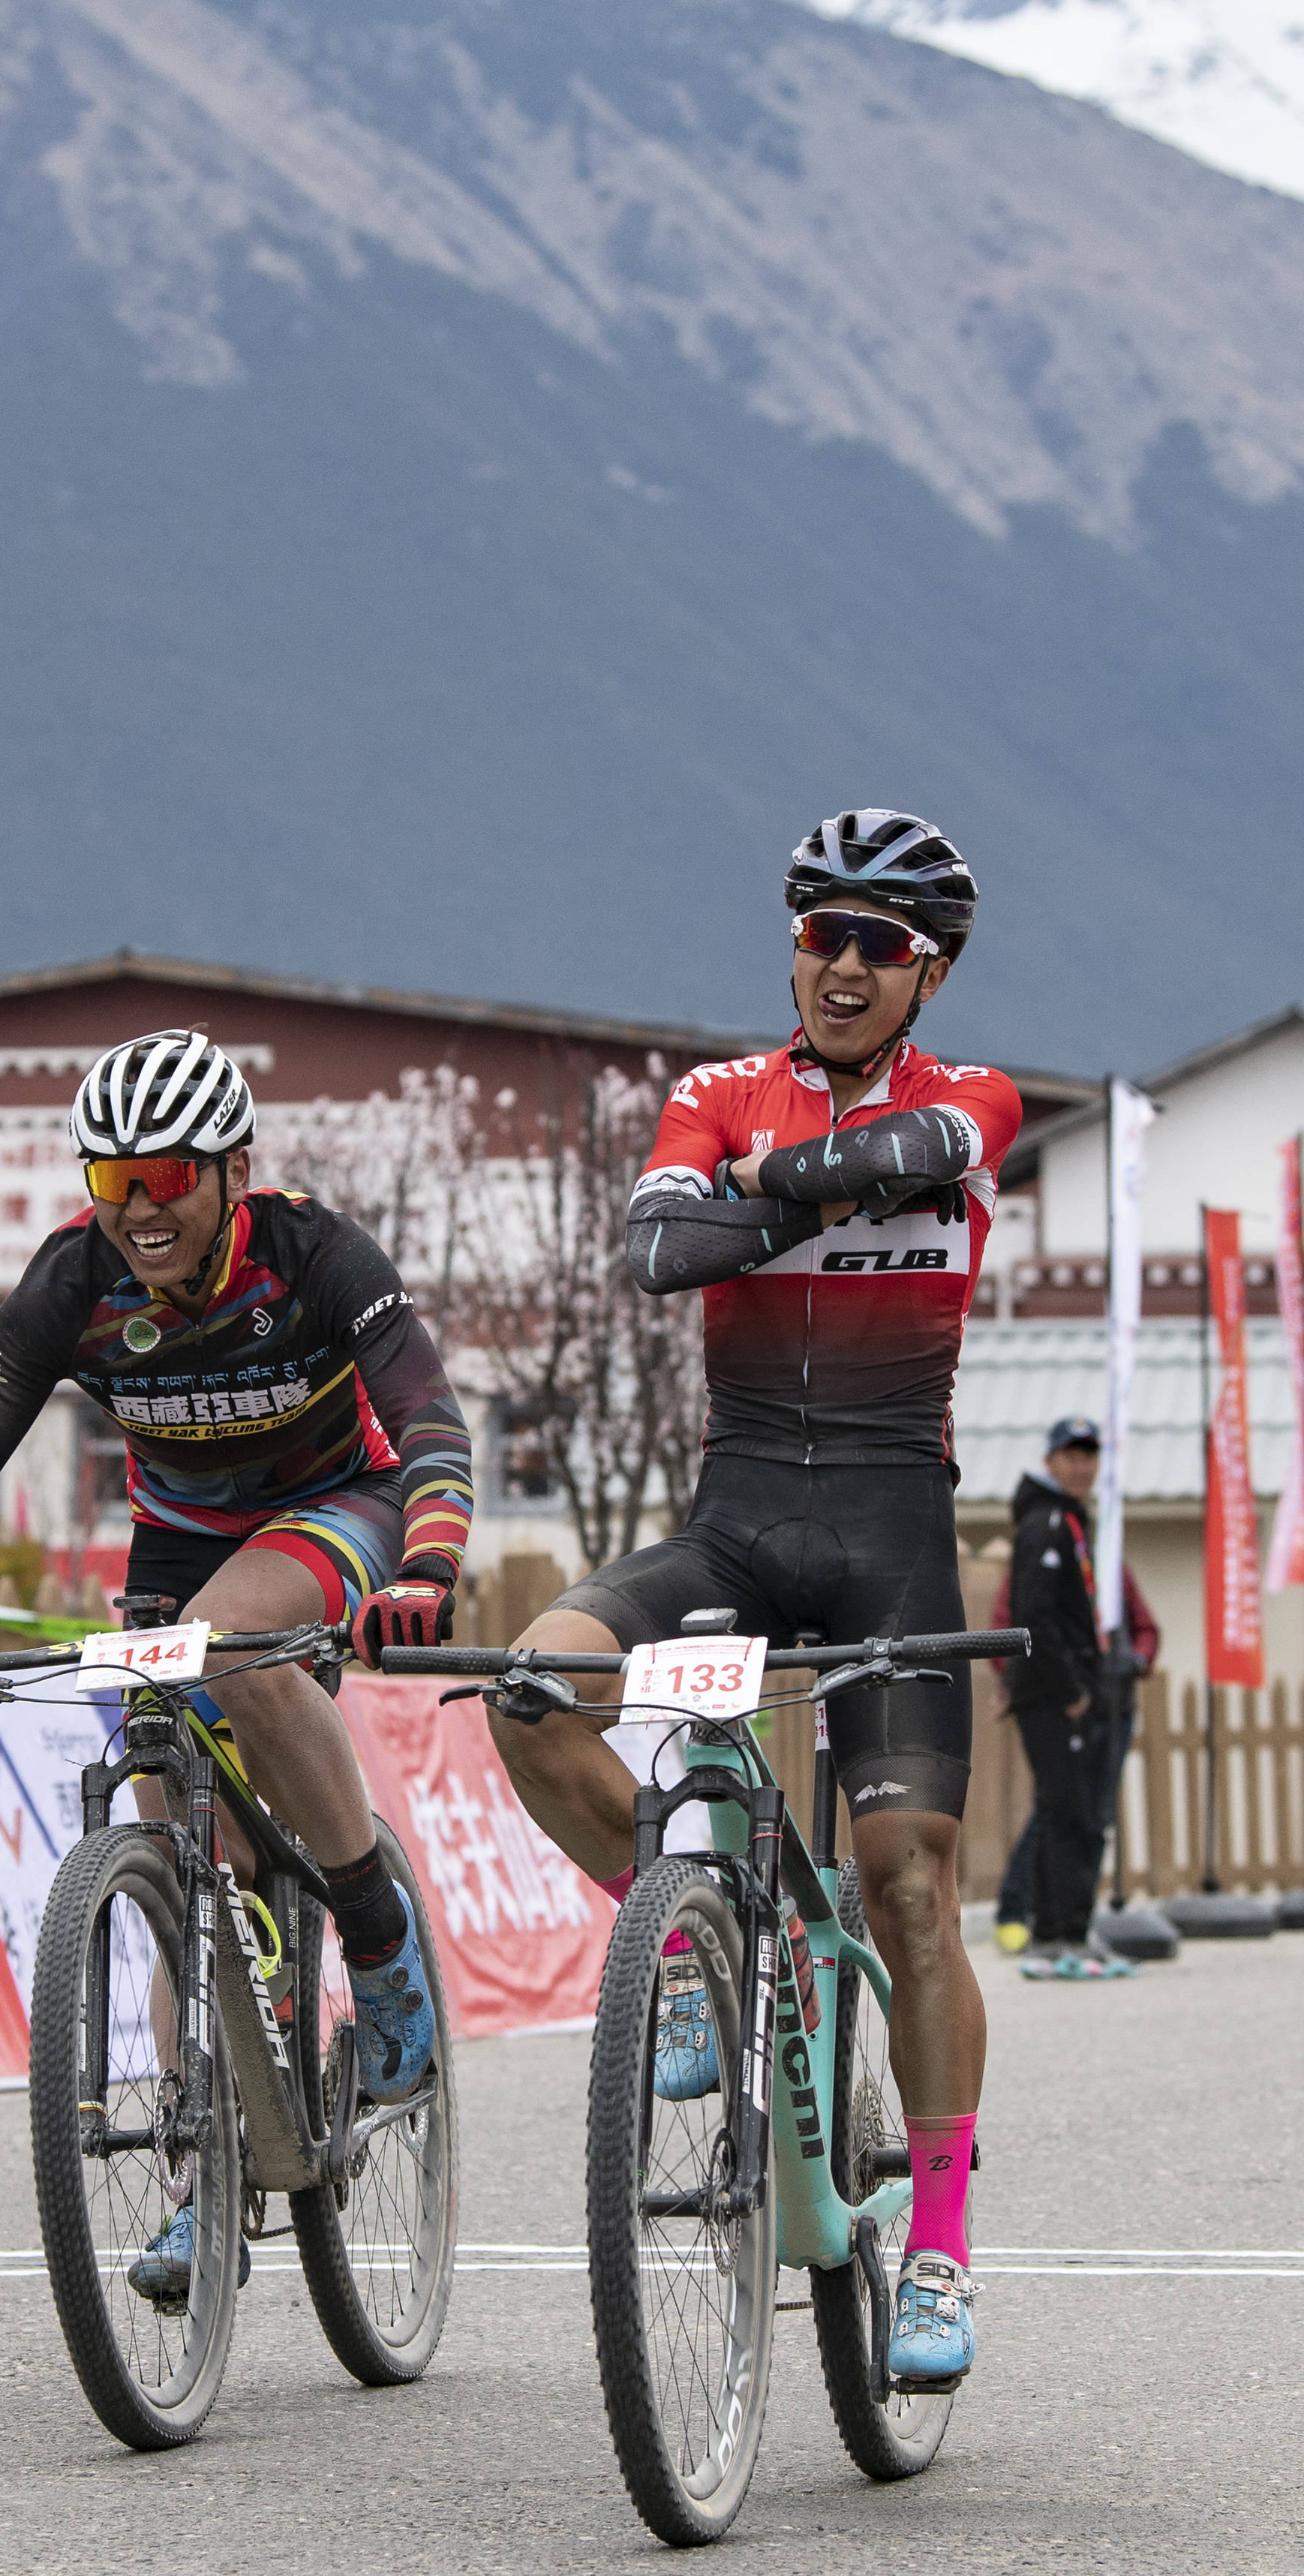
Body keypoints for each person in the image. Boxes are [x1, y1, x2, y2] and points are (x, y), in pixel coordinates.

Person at [486, 807, 1017, 2392]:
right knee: (532, 1685)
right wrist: (812, 1180)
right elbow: (655, 1250)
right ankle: (705, 1929)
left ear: (929, 973)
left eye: (879, 945)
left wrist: (755, 1198)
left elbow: (897, 1156)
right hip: (732, 1517)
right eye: (819, 933)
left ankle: (938, 2244)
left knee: (904, 1877)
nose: (841, 965)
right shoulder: (713, 1088)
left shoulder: (972, 1093)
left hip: (891, 1527)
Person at [0, 1030, 474, 2295]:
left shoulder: (315, 1254)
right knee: (184, 1854)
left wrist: (428, 1568)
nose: (141, 1211)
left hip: (340, 1503)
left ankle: (377, 1934)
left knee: (230, 1652)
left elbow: (431, 1422)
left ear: (233, 1167)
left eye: (169, 1177)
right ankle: (206, 2174)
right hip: (176, 1534)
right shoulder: (72, 1279)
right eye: (112, 1182)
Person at [990, 1414, 1159, 1957]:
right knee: (1064, 1814)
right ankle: (1057, 1935)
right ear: (1050, 1461)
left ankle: (1062, 1933)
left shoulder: (1075, 1524)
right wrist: (1071, 1690)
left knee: (1076, 1813)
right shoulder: (1048, 1525)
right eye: (1071, 1455)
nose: (1082, 1466)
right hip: (1053, 1697)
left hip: (1069, 1693)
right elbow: (1032, 1616)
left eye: (1090, 1456)